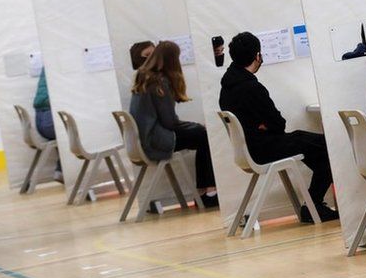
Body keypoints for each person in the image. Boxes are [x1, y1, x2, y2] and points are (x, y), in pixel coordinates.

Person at [219, 32, 338, 223]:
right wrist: (265, 126)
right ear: (257, 56)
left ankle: (313, 204)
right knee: (326, 145)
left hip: (251, 149)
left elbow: (269, 124)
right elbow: (279, 124)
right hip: (264, 149)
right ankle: (313, 203)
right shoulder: (252, 87)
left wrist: (263, 126)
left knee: (314, 147)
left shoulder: (226, 87)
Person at [130, 41, 218, 207]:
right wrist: (196, 126)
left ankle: (204, 191)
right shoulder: (159, 82)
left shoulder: (144, 77)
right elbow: (170, 122)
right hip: (155, 140)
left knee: (199, 133)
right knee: (203, 135)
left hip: (145, 139)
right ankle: (210, 190)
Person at [32, 70, 62, 182]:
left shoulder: (48, 65)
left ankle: (61, 171)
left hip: (40, 121)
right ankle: (65, 171)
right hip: (47, 122)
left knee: (66, 131)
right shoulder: (55, 65)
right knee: (72, 131)